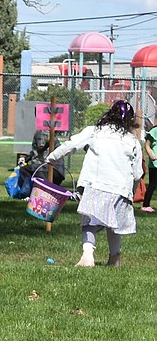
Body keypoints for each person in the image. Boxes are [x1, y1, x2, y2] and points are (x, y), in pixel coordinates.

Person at [44, 100, 144, 268]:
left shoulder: (94, 131)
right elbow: (137, 174)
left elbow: (71, 145)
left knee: (89, 221)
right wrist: (131, 193)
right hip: (119, 189)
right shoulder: (132, 141)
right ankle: (115, 258)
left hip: (95, 185)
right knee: (113, 225)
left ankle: (88, 255)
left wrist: (52, 157)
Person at [143, 119, 157, 213]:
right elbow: (147, 145)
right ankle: (145, 205)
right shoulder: (154, 131)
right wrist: (151, 155)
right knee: (152, 185)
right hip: (155, 165)